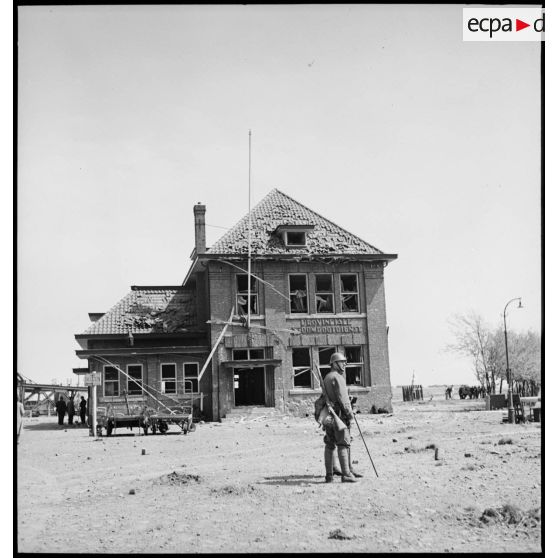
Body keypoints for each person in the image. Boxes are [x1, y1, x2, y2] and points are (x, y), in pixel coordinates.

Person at [322, 352, 363, 483]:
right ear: (334, 364)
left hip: (329, 416)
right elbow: (344, 399)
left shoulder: (327, 377)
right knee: (343, 443)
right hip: (339, 416)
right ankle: (346, 474)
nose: (344, 364)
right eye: (341, 362)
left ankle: (330, 475)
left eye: (345, 361)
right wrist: (350, 414)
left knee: (329, 444)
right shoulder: (338, 377)